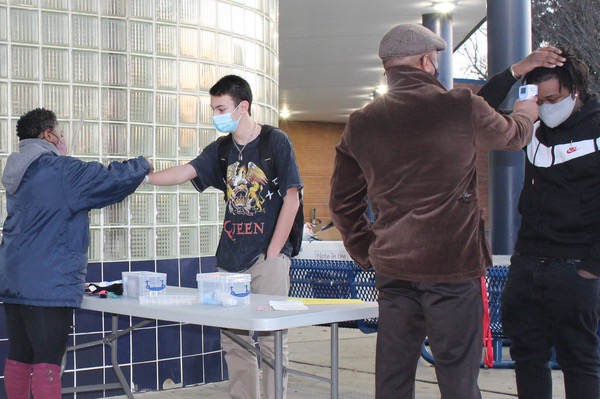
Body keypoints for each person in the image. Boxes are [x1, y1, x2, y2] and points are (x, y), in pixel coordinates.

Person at [328, 23, 539, 399]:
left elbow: (342, 205)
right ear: (426, 62)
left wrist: (368, 252)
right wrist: (525, 110)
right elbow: (513, 137)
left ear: (388, 68)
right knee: (457, 376)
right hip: (452, 267)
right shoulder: (459, 105)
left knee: (392, 377)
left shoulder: (361, 122)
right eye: (436, 61)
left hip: (392, 269)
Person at [147, 75, 302, 399]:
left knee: (273, 340)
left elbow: (292, 198)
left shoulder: (275, 142)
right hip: (230, 261)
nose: (215, 114)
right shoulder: (220, 150)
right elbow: (184, 172)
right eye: (213, 108)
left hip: (266, 259)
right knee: (235, 342)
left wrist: (273, 253)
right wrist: (140, 176)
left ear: (242, 107)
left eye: (221, 108)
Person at [0, 108, 151, 399]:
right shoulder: (60, 171)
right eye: (61, 132)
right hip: (47, 283)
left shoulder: (18, 170)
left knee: (19, 354)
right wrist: (142, 165)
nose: (64, 138)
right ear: (48, 135)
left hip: (13, 279)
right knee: (47, 361)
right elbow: (109, 180)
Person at [479, 46, 600, 399]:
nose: (547, 108)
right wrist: (518, 69)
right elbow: (477, 112)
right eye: (540, 100)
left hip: (577, 268)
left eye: (554, 98)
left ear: (576, 92)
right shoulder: (530, 124)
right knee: (527, 359)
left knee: (579, 360)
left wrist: (592, 268)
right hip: (527, 264)